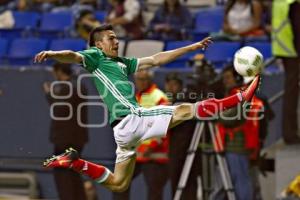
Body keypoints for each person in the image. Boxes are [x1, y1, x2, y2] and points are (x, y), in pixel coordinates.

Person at [34, 24, 260, 193]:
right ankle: (240, 98)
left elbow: (156, 59)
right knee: (185, 110)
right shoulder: (96, 57)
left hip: (122, 132)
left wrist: (192, 47)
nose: (116, 41)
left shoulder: (122, 62)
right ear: (98, 45)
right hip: (131, 118)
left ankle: (75, 162)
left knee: (119, 184)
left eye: (116, 38)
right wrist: (54, 54)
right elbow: (73, 56)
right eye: (111, 38)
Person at [113, 69, 170, 200]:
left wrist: (152, 146)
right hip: (136, 154)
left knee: (154, 193)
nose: (141, 82)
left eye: (144, 79)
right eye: (138, 79)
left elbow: (165, 127)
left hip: (153, 155)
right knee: (119, 185)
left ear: (150, 80)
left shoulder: (160, 97)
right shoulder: (136, 97)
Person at [43, 63, 88, 200]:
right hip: (77, 139)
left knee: (63, 177)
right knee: (73, 174)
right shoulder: (79, 85)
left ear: (58, 71)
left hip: (65, 140)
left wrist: (49, 94)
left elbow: (60, 110)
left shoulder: (68, 88)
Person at [164, 72, 200, 199]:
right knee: (176, 184)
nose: (171, 87)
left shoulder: (186, 100)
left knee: (189, 184)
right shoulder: (169, 102)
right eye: (169, 84)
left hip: (189, 150)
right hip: (175, 151)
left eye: (175, 84)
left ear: (180, 86)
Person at [272, 0, 300, 144]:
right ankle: (290, 133)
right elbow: (297, 29)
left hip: (283, 48)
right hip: (293, 51)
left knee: (290, 92)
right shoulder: (293, 3)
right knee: (291, 94)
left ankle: (289, 132)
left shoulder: (280, 2)